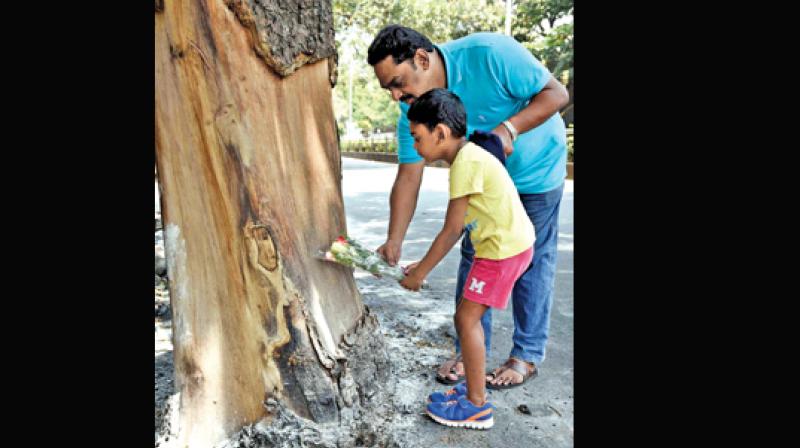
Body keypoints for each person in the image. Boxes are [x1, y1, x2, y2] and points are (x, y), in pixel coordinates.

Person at [367, 25, 569, 388]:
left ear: (422, 58)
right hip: (484, 188)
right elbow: (408, 177)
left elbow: (557, 93)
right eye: (389, 89)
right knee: (476, 259)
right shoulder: (414, 114)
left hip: (537, 170)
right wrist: (394, 239)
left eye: (398, 82)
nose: (396, 95)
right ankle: (470, 353)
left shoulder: (490, 52)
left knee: (532, 260)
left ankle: (524, 354)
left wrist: (508, 129)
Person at [398, 88, 534, 429]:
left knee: (466, 320)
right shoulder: (470, 156)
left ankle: (477, 406)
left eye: (417, 137)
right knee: (467, 317)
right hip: (507, 245)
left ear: (440, 132)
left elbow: (451, 230)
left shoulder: (465, 163)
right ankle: (472, 392)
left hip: (502, 251)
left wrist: (420, 274)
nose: (414, 146)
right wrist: (422, 266)